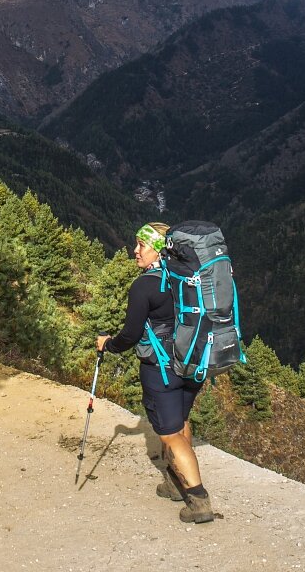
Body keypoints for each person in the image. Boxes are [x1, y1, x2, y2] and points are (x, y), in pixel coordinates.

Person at [96, 222, 214, 524]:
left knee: (170, 433)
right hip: (192, 363)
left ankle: (199, 501)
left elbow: (130, 335)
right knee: (181, 421)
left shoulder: (145, 286)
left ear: (158, 249)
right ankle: (176, 483)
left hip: (161, 369)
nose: (135, 251)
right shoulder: (190, 279)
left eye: (141, 245)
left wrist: (107, 345)